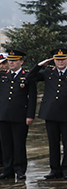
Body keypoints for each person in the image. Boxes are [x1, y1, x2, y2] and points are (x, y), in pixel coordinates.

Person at [30, 48, 67, 180]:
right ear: (53, 60)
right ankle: (55, 169)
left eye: (63, 59)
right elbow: (29, 77)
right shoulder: (48, 72)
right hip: (51, 113)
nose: (60, 62)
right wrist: (40, 65)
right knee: (53, 143)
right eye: (57, 59)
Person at [0, 50, 37, 181]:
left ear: (21, 62)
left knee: (19, 144)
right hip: (3, 115)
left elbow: (32, 98)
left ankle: (20, 169)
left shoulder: (27, 76)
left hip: (20, 116)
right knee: (6, 144)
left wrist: (30, 115)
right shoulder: (3, 76)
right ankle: (8, 169)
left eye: (14, 60)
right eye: (9, 60)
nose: (11, 63)